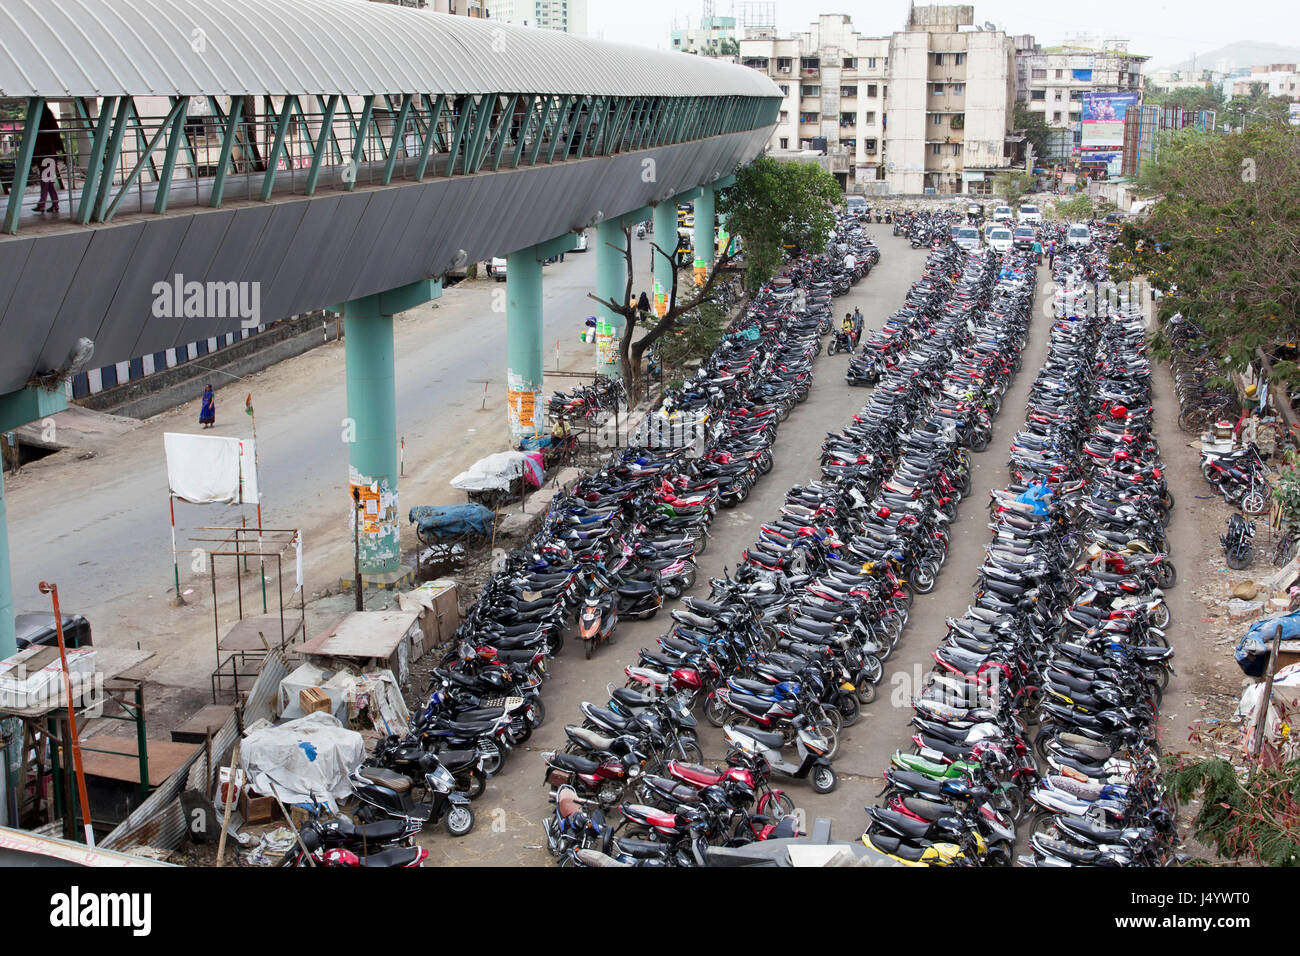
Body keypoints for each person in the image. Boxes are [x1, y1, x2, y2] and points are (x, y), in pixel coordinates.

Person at [32, 105, 65, 214]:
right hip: (51, 154)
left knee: (46, 180)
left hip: (43, 154)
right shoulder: (51, 123)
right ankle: (54, 204)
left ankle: (43, 204)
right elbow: (57, 139)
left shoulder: (38, 125)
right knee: (48, 180)